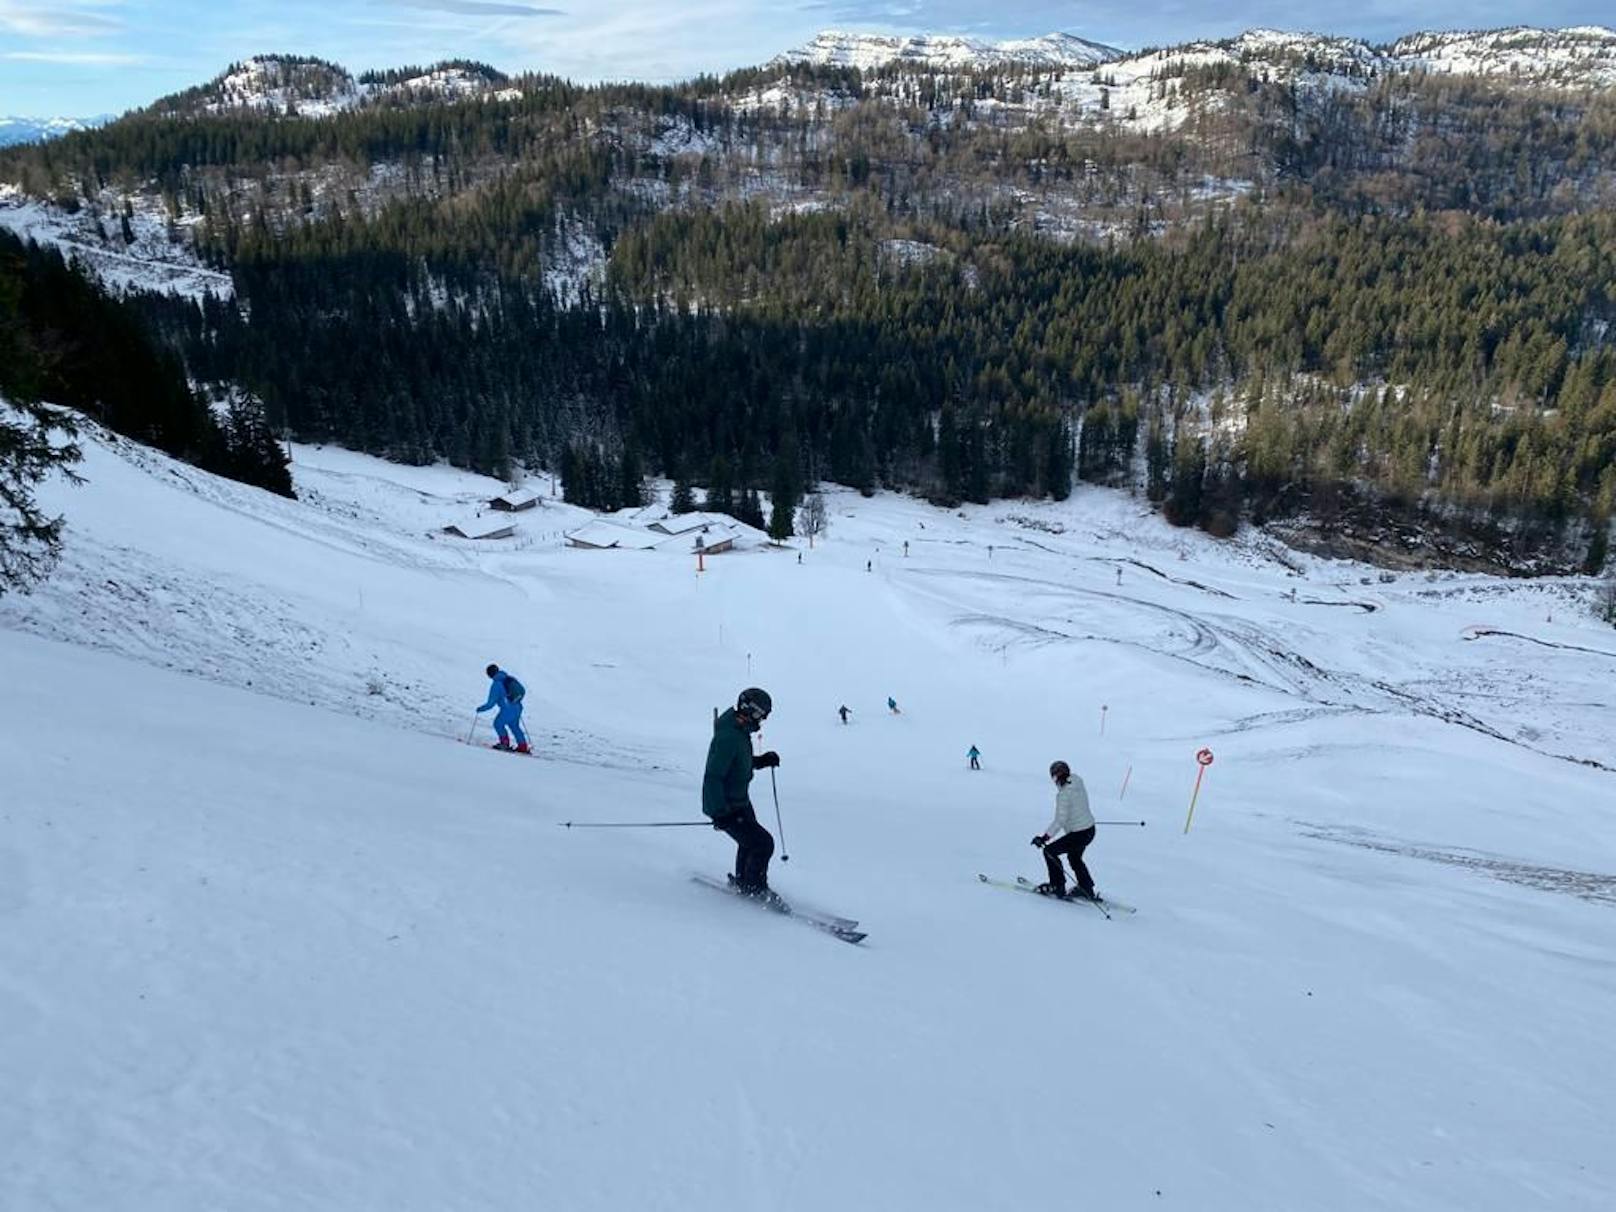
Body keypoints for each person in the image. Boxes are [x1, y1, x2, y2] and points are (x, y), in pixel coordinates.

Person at [703, 687, 780, 897]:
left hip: (740, 802)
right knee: (764, 844)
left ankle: (744, 882)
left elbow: (738, 764)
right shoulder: (729, 737)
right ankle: (755, 889)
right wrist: (720, 813)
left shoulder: (739, 733)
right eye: (759, 714)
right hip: (727, 806)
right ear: (749, 710)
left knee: (749, 843)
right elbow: (713, 777)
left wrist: (762, 761)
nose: (761, 720)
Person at [1031, 760, 1098, 900]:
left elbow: (1060, 820)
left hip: (1079, 833)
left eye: (1054, 777)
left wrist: (1044, 838)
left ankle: (1057, 886)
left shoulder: (1063, 795)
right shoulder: (1077, 781)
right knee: (1074, 857)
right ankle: (1086, 888)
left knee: (1049, 851)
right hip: (1089, 830)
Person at [477, 663, 529, 753]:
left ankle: (504, 744)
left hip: (508, 709)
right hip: (517, 707)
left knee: (498, 724)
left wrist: (481, 709)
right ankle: (523, 746)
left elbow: (491, 703)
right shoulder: (508, 678)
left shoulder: (496, 685)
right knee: (515, 726)